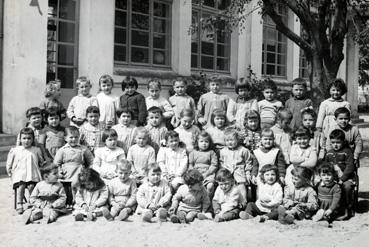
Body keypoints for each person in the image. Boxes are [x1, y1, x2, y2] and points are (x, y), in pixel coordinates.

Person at [6, 127, 44, 214]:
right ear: (20, 139)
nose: (26, 141)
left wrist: (42, 167)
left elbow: (41, 161)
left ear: (33, 139)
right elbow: (9, 162)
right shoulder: (16, 150)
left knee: (31, 186)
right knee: (21, 185)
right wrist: (9, 171)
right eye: (24, 138)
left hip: (32, 174)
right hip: (20, 175)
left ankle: (32, 202)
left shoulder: (36, 150)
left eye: (29, 138)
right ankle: (20, 203)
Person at [54, 126, 94, 205]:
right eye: (71, 137)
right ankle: (68, 202)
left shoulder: (83, 148)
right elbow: (56, 163)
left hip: (79, 171)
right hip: (67, 172)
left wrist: (88, 170)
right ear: (65, 138)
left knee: (79, 187)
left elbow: (91, 160)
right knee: (67, 188)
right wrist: (59, 171)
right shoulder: (62, 150)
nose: (74, 139)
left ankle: (78, 203)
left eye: (76, 137)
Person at [324, 129, 355, 220]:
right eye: (333, 142)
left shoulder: (347, 152)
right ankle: (330, 207)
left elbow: (350, 167)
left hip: (346, 177)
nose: (336, 145)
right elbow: (326, 167)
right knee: (325, 186)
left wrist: (342, 178)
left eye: (338, 142)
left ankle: (348, 207)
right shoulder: (329, 153)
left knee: (347, 187)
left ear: (343, 142)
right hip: (333, 177)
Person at [219, 128, 252, 205]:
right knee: (227, 187)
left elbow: (248, 162)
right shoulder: (223, 151)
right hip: (227, 173)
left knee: (241, 187)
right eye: (227, 140)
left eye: (232, 140)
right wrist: (223, 171)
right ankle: (229, 204)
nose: (230, 142)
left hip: (239, 172)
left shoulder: (243, 150)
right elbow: (221, 162)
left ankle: (243, 204)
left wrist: (247, 173)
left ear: (237, 140)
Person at [189, 131, 218, 197]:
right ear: (197, 142)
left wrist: (206, 174)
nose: (204, 144)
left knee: (210, 186)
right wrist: (194, 173)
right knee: (193, 185)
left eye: (206, 141)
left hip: (208, 174)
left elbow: (214, 165)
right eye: (201, 141)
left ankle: (208, 200)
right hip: (196, 174)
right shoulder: (193, 152)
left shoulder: (211, 152)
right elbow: (190, 164)